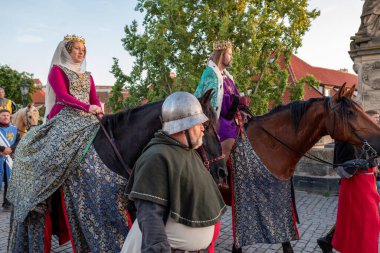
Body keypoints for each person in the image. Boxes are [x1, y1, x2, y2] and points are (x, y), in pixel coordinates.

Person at [7, 34, 129, 252]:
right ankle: (39, 193)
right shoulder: (58, 70)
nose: (81, 52)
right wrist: (86, 107)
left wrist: (97, 109)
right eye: (77, 49)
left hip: (88, 118)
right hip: (64, 116)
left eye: (83, 49)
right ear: (67, 50)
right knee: (52, 151)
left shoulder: (88, 76)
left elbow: (93, 98)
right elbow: (62, 96)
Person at [121, 92, 227, 253]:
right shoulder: (157, 156)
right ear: (183, 126)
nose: (202, 128)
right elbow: (150, 216)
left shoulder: (187, 151)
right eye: (198, 123)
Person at [317, 110, 380, 253]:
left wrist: (374, 168)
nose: (376, 121)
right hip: (357, 184)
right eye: (374, 118)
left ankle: (328, 240)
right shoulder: (348, 135)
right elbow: (344, 166)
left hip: (368, 181)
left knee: (360, 221)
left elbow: (370, 158)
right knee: (364, 221)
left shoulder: (368, 134)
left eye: (378, 119)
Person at [194, 40, 251, 161]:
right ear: (221, 54)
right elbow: (211, 102)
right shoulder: (210, 74)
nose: (232, 57)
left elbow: (234, 96)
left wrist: (242, 108)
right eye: (229, 54)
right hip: (215, 119)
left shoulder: (228, 77)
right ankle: (219, 177)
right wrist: (237, 100)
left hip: (230, 118)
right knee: (229, 141)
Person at [0, 109, 20, 209]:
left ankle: (7, 202)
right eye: (3, 115)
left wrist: (11, 149)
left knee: (9, 180)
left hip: (9, 158)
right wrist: (3, 149)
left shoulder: (14, 129)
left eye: (7, 115)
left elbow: (18, 142)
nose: (6, 117)